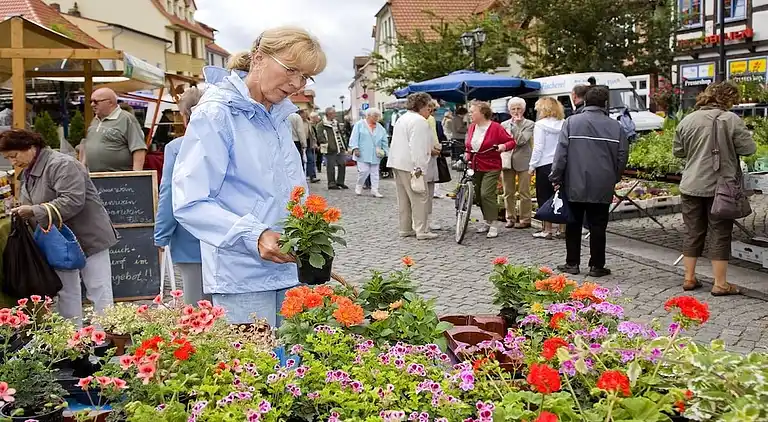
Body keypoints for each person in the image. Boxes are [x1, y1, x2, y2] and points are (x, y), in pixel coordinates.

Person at [172, 26, 327, 326]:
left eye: (305, 76)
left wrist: (312, 233)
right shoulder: (217, 114)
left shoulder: (279, 116)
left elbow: (287, 191)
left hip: (290, 271)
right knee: (256, 369)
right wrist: (253, 235)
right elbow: (190, 201)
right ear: (258, 59)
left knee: (295, 368)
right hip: (243, 277)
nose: (297, 83)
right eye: (291, 70)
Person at [1, 129, 116, 325]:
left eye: (14, 156)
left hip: (88, 237)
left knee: (98, 288)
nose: (13, 162)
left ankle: (105, 339)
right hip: (58, 241)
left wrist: (34, 211)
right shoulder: (29, 169)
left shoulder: (62, 164)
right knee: (66, 292)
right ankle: (73, 342)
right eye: (8, 158)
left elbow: (72, 200)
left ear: (30, 147)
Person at [673, 81, 756, 296]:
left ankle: (689, 278)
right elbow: (748, 149)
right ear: (728, 99)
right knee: (720, 233)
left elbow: (679, 152)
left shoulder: (687, 120)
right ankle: (720, 284)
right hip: (722, 187)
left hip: (691, 184)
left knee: (692, 231)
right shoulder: (731, 119)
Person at [550, 86, 628, 277]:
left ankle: (572, 263)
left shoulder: (571, 122)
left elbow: (561, 154)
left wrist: (556, 176)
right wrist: (614, 177)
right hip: (602, 183)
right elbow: (622, 156)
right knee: (598, 225)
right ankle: (597, 266)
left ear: (585, 101)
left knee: (573, 224)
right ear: (605, 104)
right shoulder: (616, 127)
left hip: (574, 182)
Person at [154, 87, 211, 305]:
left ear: (185, 115)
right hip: (225, 236)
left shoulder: (178, 147)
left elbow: (169, 191)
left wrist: (161, 234)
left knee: (196, 304)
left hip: (189, 234)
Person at [388, 92, 438, 241]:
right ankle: (422, 230)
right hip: (411, 165)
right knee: (420, 197)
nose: (429, 110)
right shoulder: (419, 121)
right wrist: (420, 168)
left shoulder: (402, 118)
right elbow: (418, 148)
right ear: (422, 106)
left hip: (397, 162)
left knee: (403, 198)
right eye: (428, 106)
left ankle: (405, 228)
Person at [465, 101, 516, 238]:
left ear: (482, 113)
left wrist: (502, 147)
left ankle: (494, 223)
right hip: (475, 165)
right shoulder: (472, 127)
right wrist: (467, 154)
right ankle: (487, 221)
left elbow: (511, 142)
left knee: (486, 194)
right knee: (477, 195)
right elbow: (469, 145)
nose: (470, 114)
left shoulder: (495, 127)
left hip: (491, 165)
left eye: (472, 111)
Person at [81, 87, 147, 172]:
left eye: (96, 102)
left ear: (110, 102)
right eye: (91, 101)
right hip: (95, 178)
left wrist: (135, 176)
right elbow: (89, 146)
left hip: (119, 179)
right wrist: (83, 167)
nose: (92, 105)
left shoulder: (127, 119)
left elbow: (139, 149)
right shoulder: (95, 120)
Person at [529, 97, 566, 239]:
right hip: (562, 163)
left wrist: (531, 165)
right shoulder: (564, 123)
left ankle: (547, 229)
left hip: (544, 163)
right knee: (561, 195)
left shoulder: (540, 125)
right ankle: (562, 229)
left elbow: (538, 147)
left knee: (544, 196)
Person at [501, 97, 535, 229]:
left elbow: (521, 141)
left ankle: (525, 219)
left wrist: (517, 126)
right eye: (513, 109)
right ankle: (510, 217)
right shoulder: (503, 125)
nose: (516, 111)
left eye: (519, 108)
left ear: (524, 109)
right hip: (507, 161)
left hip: (523, 161)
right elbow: (503, 141)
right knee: (508, 192)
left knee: (524, 192)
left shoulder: (529, 124)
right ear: (509, 110)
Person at [349, 108, 388, 198]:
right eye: (375, 116)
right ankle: (359, 185)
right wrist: (355, 148)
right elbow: (354, 137)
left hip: (376, 153)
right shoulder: (359, 124)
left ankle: (375, 190)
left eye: (378, 116)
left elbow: (384, 140)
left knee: (375, 172)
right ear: (368, 116)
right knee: (364, 171)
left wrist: (386, 151)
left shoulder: (380, 127)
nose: (377, 118)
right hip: (362, 152)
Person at [316, 107, 348, 190]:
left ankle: (340, 182)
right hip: (330, 148)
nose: (335, 114)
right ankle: (331, 183)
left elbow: (340, 134)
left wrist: (344, 145)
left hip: (340, 146)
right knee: (331, 166)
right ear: (329, 114)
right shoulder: (321, 124)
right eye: (334, 113)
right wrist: (327, 143)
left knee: (342, 164)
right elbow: (320, 136)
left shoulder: (335, 123)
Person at [305, 112, 320, 183]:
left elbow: (313, 135)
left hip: (310, 144)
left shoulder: (310, 124)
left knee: (312, 160)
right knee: (311, 160)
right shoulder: (308, 124)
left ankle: (312, 175)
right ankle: (311, 175)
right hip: (307, 144)